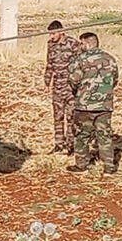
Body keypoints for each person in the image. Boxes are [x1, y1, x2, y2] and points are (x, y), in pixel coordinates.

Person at [66, 32, 119, 175]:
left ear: (87, 43)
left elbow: (73, 80)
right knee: (105, 135)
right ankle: (109, 167)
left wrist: (79, 93)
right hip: (104, 105)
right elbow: (114, 80)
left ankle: (81, 165)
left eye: (81, 43)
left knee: (82, 135)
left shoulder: (80, 60)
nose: (80, 46)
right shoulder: (110, 59)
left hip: (85, 105)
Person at [44, 20, 83, 155]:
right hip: (57, 86)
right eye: (50, 34)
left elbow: (80, 65)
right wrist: (47, 82)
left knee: (71, 116)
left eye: (53, 34)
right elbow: (49, 64)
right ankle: (59, 144)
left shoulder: (73, 44)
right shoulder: (51, 45)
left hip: (70, 87)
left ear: (61, 32)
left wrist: (78, 84)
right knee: (57, 116)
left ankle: (70, 145)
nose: (51, 37)